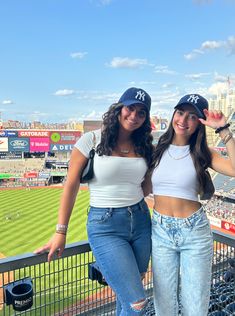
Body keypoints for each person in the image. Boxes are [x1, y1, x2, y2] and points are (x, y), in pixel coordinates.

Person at [34, 87, 154, 315]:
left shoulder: (144, 145)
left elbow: (146, 187)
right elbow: (70, 186)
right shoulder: (91, 139)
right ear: (119, 109)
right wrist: (61, 231)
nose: (134, 116)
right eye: (130, 108)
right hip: (106, 225)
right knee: (138, 303)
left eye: (142, 112)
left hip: (140, 221)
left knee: (127, 295)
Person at [151, 94, 235, 316]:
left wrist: (223, 130)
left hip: (194, 232)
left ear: (200, 122)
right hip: (160, 230)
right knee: (163, 305)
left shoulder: (203, 152)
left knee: (195, 306)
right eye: (180, 113)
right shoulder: (157, 148)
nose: (183, 120)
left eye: (192, 116)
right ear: (173, 114)